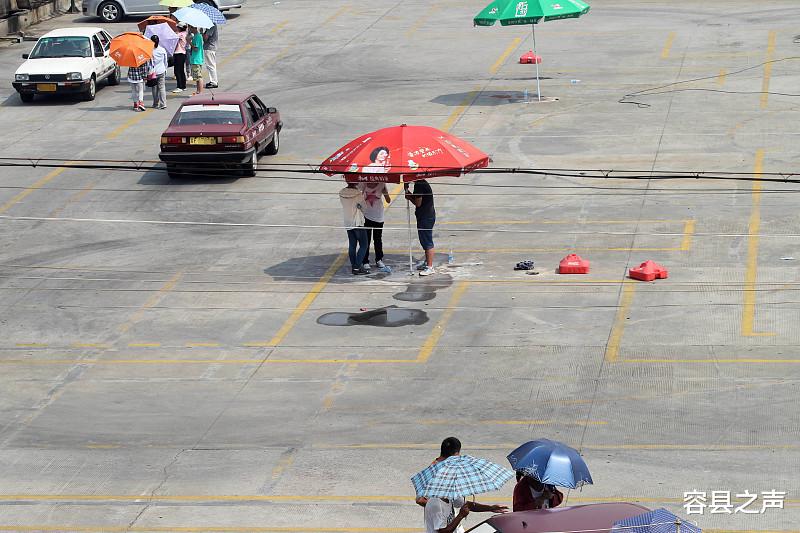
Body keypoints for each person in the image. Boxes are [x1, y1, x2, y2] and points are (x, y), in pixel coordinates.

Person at [416, 437, 462, 508]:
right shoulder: (434, 471)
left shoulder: (449, 468)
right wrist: (443, 506)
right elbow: (420, 500)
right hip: (439, 517)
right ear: (455, 454)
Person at [404, 179, 436, 276]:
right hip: (428, 215)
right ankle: (427, 263)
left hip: (425, 217)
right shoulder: (422, 183)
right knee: (425, 240)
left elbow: (418, 203)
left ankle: (430, 267)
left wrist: (409, 197)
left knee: (427, 242)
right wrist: (407, 191)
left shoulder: (419, 185)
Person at [425, 496, 508, 533]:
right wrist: (461, 515)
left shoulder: (449, 497)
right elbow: (443, 531)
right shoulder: (436, 505)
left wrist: (491, 508)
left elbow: (468, 505)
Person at [358, 180, 391, 271]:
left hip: (379, 216)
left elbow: (388, 200)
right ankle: (365, 261)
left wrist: (386, 193)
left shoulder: (382, 184)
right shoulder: (363, 183)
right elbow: (355, 188)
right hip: (367, 215)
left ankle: (379, 259)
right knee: (366, 240)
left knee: (377, 239)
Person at [339, 183, 369, 275]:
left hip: (347, 221)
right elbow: (365, 208)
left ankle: (354, 265)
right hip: (357, 222)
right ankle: (357, 267)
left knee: (352, 245)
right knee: (364, 245)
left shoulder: (341, 193)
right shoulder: (357, 194)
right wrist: (360, 207)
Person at [149, 35, 168, 109]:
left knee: (154, 89)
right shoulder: (162, 50)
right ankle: (163, 104)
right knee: (162, 88)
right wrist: (165, 69)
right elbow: (165, 61)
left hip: (153, 72)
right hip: (162, 70)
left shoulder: (150, 51)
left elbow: (150, 63)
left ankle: (155, 103)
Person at [171, 22, 188, 93]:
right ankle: (183, 86)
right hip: (183, 53)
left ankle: (179, 86)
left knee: (177, 71)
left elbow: (173, 37)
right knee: (181, 70)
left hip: (178, 53)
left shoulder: (180, 35)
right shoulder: (185, 33)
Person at [188, 25, 204, 95]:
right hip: (195, 59)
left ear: (194, 28)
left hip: (196, 59)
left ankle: (200, 92)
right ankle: (198, 91)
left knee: (198, 76)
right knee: (196, 77)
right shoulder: (196, 36)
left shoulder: (197, 37)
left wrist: (189, 42)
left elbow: (196, 49)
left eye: (190, 28)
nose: (189, 29)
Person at [203, 23, 219, 88]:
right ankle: (213, 80)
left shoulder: (211, 25)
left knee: (210, 65)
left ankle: (214, 82)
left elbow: (205, 38)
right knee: (212, 65)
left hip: (209, 48)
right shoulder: (211, 25)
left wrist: (202, 33)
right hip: (212, 47)